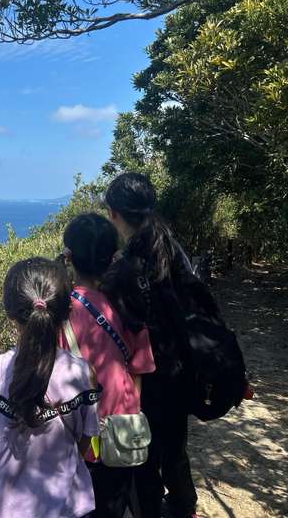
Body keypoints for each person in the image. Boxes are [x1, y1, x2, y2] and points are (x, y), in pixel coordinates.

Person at [100, 172, 198, 518]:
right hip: (180, 366)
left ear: (113, 213)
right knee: (175, 447)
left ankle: (153, 510)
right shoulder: (171, 248)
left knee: (145, 457)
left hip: (144, 376)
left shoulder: (122, 269)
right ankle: (184, 506)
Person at [0, 257, 100, 518]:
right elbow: (85, 442)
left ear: (10, 313)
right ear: (67, 311)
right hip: (68, 507)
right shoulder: (83, 373)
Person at [58, 213, 156, 518]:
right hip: (120, 432)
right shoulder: (127, 304)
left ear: (68, 257)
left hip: (74, 438)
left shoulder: (59, 312)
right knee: (113, 506)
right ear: (113, 257)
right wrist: (128, 411)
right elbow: (140, 367)